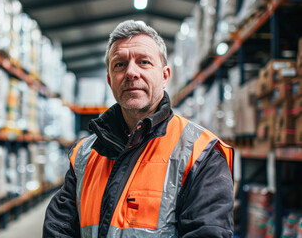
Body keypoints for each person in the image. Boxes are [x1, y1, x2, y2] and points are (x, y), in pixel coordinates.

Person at [43, 20, 234, 238]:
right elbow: (59, 229)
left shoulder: (201, 153)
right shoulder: (84, 155)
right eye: (119, 65)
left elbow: (208, 232)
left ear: (164, 76)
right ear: (109, 80)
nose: (131, 73)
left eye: (143, 62)